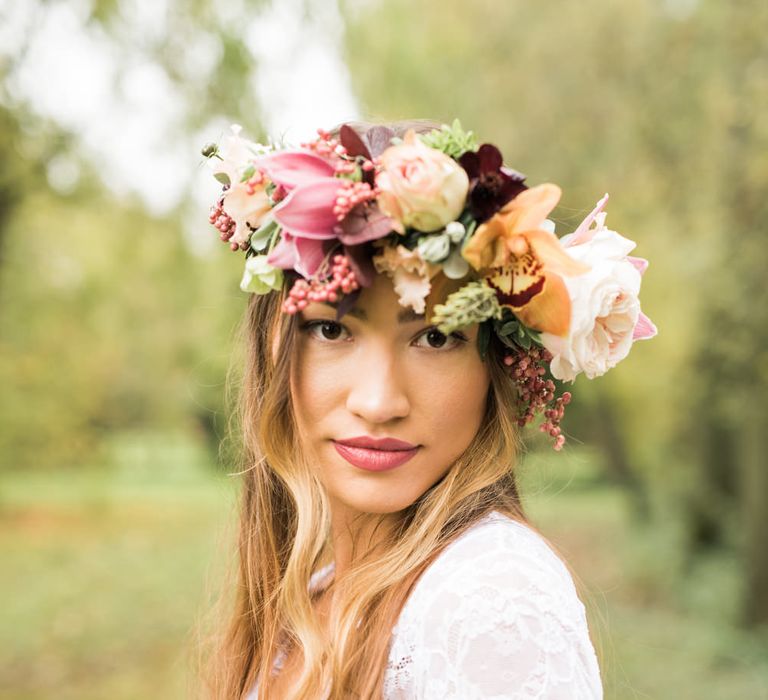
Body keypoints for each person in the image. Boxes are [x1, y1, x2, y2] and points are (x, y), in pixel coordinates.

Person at [198, 119, 655, 698]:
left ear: (497, 369)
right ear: (274, 348)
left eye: (436, 338)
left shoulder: (490, 600)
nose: (379, 402)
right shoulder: (319, 591)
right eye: (331, 330)